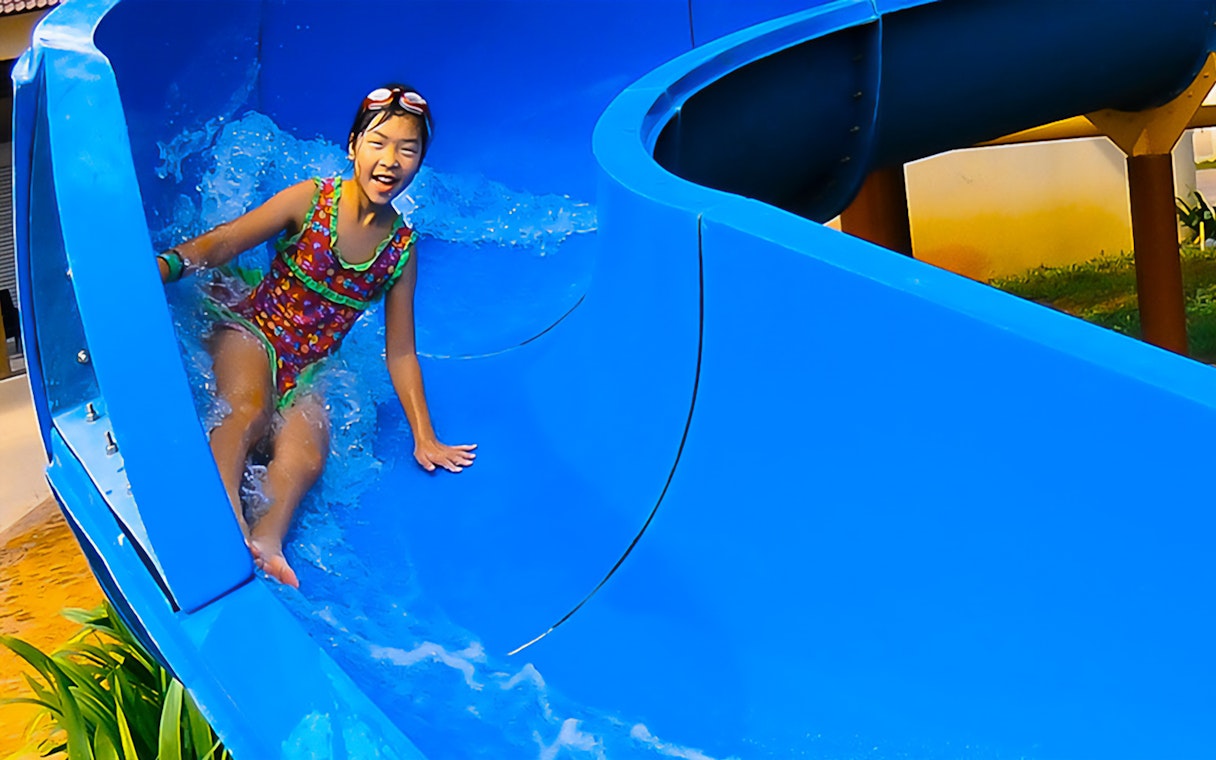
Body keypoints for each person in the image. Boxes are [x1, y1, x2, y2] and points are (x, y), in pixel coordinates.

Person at [157, 84, 476, 588]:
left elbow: (401, 351)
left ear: (420, 163)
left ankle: (266, 541)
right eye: (378, 142)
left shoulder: (401, 251)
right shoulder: (312, 199)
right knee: (248, 409)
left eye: (407, 149)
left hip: (312, 364)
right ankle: (223, 517)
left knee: (307, 456)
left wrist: (424, 436)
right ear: (353, 146)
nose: (390, 160)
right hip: (256, 328)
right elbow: (224, 243)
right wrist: (165, 266)